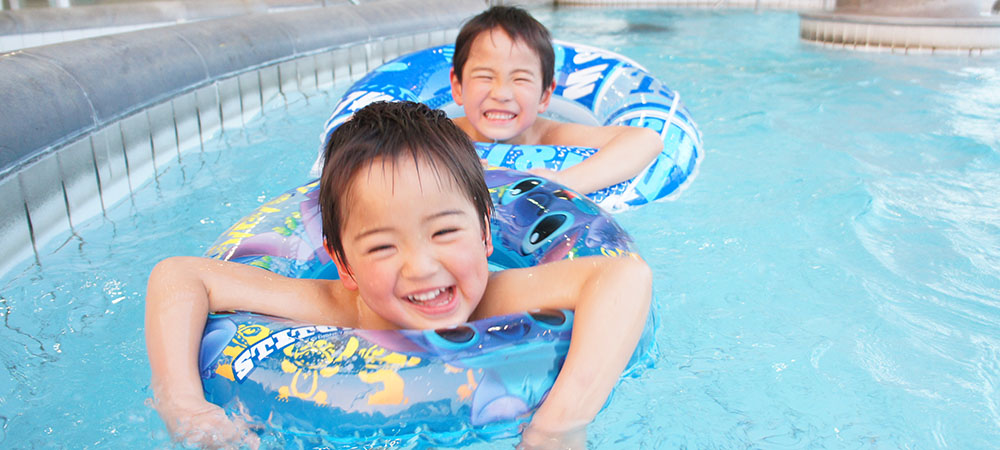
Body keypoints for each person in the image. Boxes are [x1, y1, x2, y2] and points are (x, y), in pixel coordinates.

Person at [145, 101, 651, 449]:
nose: (422, 267)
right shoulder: (336, 306)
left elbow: (624, 279)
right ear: (343, 264)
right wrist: (183, 404)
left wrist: (562, 421)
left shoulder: (497, 297)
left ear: (485, 235)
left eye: (445, 232)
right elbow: (178, 276)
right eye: (383, 245)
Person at [449, 6, 663, 195]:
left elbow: (646, 140)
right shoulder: (444, 134)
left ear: (545, 95)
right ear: (458, 87)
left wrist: (561, 182)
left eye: (520, 79)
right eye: (485, 77)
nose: (501, 93)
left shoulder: (551, 135)